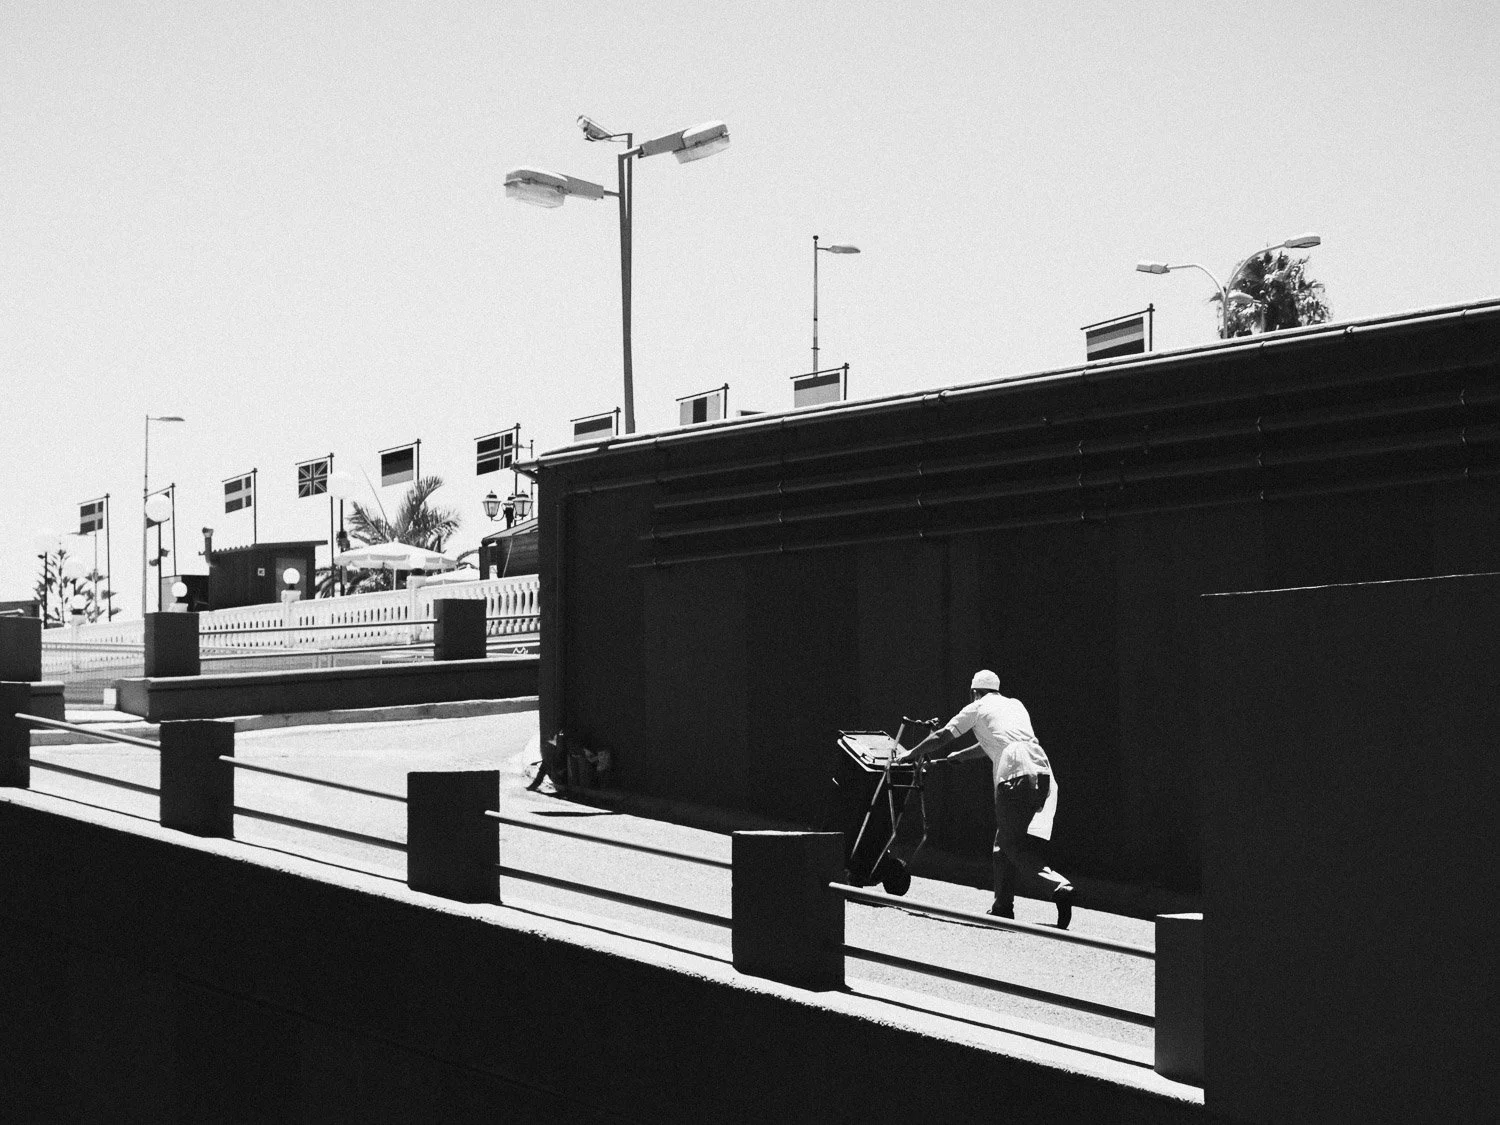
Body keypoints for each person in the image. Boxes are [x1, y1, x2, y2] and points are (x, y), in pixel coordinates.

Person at [898, 669, 1076, 928]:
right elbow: (993, 743)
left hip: (1015, 774)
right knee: (1003, 842)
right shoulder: (1014, 706)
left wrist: (910, 755)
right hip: (1041, 771)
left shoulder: (977, 707)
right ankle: (1002, 907)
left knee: (1011, 845)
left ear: (974, 692)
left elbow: (941, 736)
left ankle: (1057, 886)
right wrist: (959, 755)